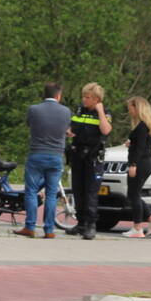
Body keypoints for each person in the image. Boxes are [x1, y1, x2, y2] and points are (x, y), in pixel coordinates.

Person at [14, 82, 71, 239]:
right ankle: (49, 230)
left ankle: (30, 227)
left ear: (44, 94)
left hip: (37, 155)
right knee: (52, 194)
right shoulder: (66, 111)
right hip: (56, 157)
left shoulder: (34, 109)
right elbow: (67, 130)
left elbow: (29, 124)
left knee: (31, 191)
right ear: (58, 95)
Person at [64, 82, 113, 240]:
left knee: (91, 192)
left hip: (93, 158)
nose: (84, 99)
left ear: (97, 99)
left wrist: (100, 112)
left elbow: (106, 130)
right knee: (78, 191)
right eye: (83, 96)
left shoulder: (104, 112)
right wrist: (69, 132)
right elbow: (72, 129)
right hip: (78, 155)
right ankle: (81, 224)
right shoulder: (79, 110)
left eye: (88, 97)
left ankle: (91, 225)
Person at [123, 96, 151, 238]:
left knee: (133, 195)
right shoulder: (144, 125)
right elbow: (140, 144)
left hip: (140, 163)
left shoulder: (141, 127)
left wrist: (133, 164)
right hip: (146, 162)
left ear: (137, 108)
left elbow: (140, 148)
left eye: (131, 108)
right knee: (134, 194)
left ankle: (137, 228)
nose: (129, 111)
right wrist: (131, 143)